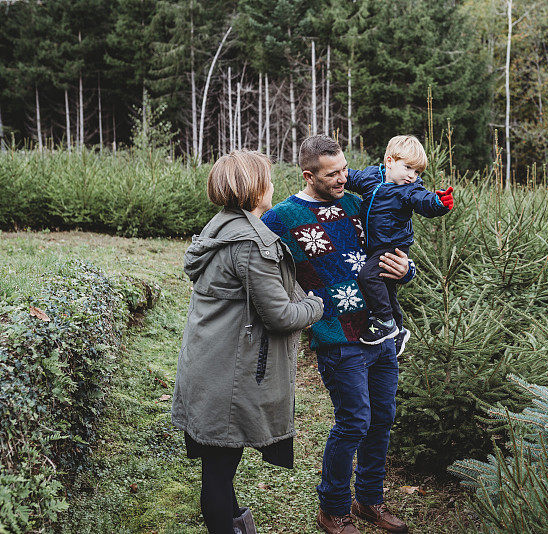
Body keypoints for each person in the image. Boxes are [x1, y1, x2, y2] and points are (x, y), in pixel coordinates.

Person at [261, 135, 413, 534]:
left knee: (382, 418)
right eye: (332, 174)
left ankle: (369, 501)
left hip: (380, 332)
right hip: (337, 336)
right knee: (354, 422)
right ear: (309, 175)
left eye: (345, 169)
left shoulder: (358, 203)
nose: (343, 178)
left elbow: (391, 247)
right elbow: (254, 264)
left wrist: (406, 270)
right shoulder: (282, 218)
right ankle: (333, 508)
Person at [171, 150, 324, 534]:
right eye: (268, 179)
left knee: (218, 469)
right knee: (220, 473)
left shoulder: (219, 227)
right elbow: (282, 316)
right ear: (256, 190)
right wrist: (316, 304)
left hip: (209, 364)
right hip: (229, 377)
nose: (273, 185)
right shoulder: (252, 245)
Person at [345, 135, 454, 349]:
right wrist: (338, 174)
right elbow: (353, 178)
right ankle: (399, 329)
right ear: (389, 162)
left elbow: (424, 201)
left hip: (393, 247)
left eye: (417, 172)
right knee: (387, 287)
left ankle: (384, 321)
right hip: (376, 244)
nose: (412, 176)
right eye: (408, 168)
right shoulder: (371, 177)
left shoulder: (409, 190)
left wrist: (439, 203)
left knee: (368, 276)